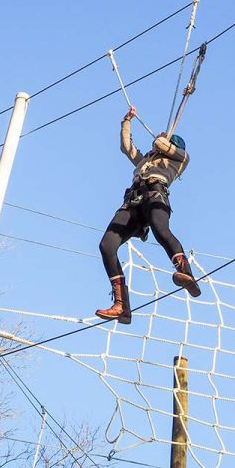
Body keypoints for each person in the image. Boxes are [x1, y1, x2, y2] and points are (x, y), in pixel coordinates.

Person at [95, 106, 201, 324]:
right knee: (107, 245)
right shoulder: (147, 161)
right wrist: (127, 121)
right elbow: (127, 148)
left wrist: (162, 138)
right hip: (133, 202)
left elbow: (162, 144)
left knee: (160, 229)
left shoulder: (181, 158)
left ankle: (185, 272)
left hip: (155, 196)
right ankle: (121, 305)